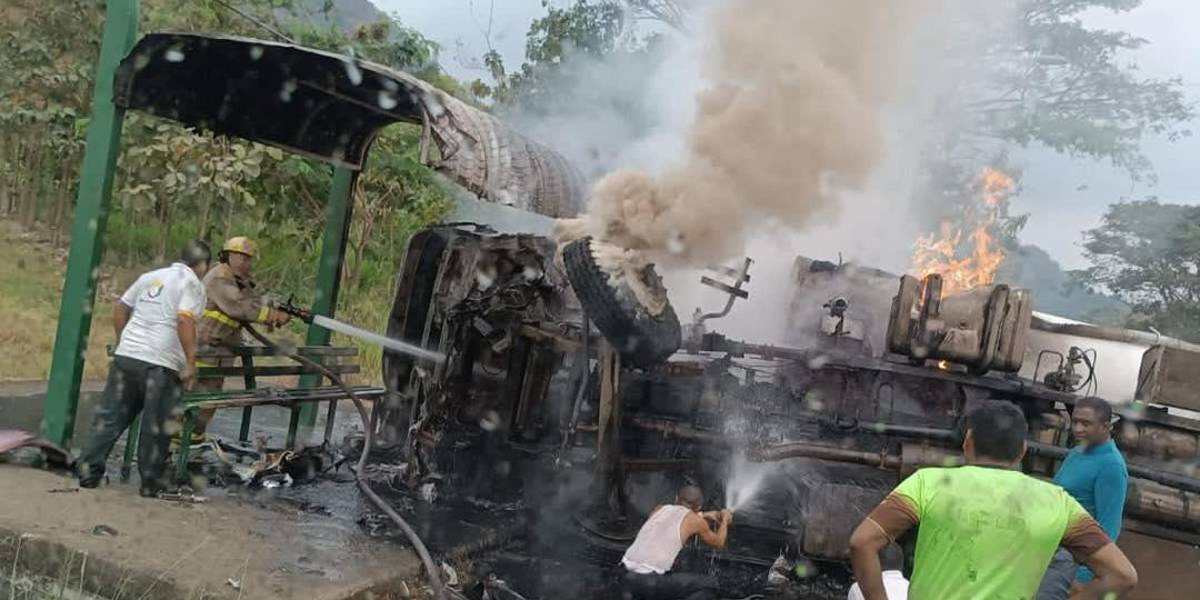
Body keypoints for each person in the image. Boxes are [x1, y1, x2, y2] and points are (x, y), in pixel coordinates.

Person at [849, 400, 1138, 600]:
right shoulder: (1058, 503)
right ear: (1022, 451)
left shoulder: (928, 482)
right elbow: (1122, 575)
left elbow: (862, 542)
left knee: (882, 583)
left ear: (968, 441)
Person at [77, 241, 211, 496]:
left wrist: (122, 341)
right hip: (160, 365)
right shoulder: (192, 283)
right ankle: (150, 483)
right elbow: (184, 319)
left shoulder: (150, 277)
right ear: (203, 264)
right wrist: (191, 362)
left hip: (127, 357)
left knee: (109, 418)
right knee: (156, 425)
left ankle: (88, 474)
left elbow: (120, 308)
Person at [177, 236, 291, 443]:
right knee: (190, 395)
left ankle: (192, 441)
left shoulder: (240, 282)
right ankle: (172, 443)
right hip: (203, 346)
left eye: (248, 259)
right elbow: (238, 306)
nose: (244, 263)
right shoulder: (220, 277)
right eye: (240, 257)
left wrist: (272, 311)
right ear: (227, 256)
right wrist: (273, 316)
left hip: (221, 351)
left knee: (209, 400)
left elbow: (251, 303)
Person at [1037, 397, 1130, 600]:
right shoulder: (1078, 452)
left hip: (1073, 566)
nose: (1077, 429)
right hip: (1053, 554)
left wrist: (1083, 577)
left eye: (1086, 424)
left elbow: (1109, 528)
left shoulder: (1111, 466)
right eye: (1075, 421)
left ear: (1106, 426)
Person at [620, 485, 733, 600]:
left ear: (676, 498)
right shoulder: (696, 521)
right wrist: (725, 520)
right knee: (711, 583)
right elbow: (719, 542)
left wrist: (703, 515)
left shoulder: (659, 509)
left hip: (626, 576)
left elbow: (672, 521)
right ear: (699, 507)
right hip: (650, 582)